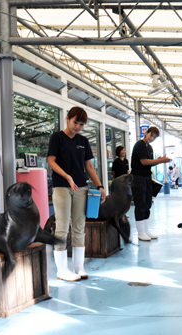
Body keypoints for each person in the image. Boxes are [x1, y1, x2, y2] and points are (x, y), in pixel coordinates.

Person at [48, 107, 106, 282]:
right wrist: (66, 176)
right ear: (67, 119)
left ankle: (79, 267)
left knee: (79, 227)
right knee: (62, 227)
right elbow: (51, 161)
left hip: (81, 188)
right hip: (62, 187)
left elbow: (88, 166)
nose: (78, 127)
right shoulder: (57, 137)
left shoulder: (83, 140)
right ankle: (62, 269)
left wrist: (100, 185)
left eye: (81, 124)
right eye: (75, 123)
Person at [131, 126, 172, 241]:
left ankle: (146, 230)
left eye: (154, 137)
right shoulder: (139, 145)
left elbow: (149, 163)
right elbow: (144, 162)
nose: (152, 138)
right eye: (151, 135)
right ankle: (140, 232)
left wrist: (158, 160)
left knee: (147, 203)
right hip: (138, 178)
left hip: (147, 178)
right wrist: (160, 161)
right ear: (146, 133)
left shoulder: (150, 148)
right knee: (140, 203)